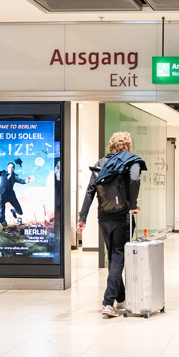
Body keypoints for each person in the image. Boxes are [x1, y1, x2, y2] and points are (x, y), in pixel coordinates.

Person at [76, 131, 145, 318]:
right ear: (128, 146)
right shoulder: (132, 161)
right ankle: (108, 302)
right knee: (118, 256)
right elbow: (135, 179)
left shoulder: (99, 164)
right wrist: (132, 205)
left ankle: (121, 298)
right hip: (122, 217)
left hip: (103, 217)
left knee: (114, 257)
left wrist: (82, 218)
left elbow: (90, 191)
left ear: (111, 146)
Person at [0, 157, 34, 226]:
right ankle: (3, 221)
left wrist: (27, 181)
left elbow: (21, 181)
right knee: (2, 212)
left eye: (12, 167)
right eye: (9, 167)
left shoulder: (15, 176)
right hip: (2, 195)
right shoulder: (3, 173)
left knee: (20, 212)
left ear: (13, 169)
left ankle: (13, 210)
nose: (11, 168)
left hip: (11, 196)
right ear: (7, 167)